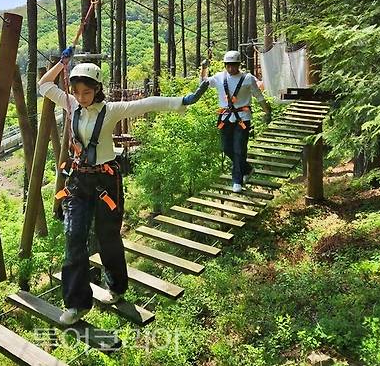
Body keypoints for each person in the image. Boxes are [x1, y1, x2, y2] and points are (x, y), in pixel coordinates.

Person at [39, 49, 189, 325]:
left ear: (97, 90)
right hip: (78, 181)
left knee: (108, 238)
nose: (81, 97)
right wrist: (61, 64)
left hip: (105, 182)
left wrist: (181, 101)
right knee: (74, 239)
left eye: (86, 92)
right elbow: (44, 86)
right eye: (76, 92)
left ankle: (117, 288)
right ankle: (76, 304)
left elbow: (147, 103)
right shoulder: (71, 105)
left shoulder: (111, 111)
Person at [183, 50, 271, 193]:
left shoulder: (248, 79)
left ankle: (237, 180)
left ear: (239, 64)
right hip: (224, 118)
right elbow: (203, 83)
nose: (231, 68)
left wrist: (267, 111)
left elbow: (259, 97)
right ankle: (247, 169)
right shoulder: (219, 77)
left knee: (239, 148)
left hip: (243, 118)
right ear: (225, 65)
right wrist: (204, 68)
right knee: (226, 148)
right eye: (228, 65)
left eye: (234, 65)